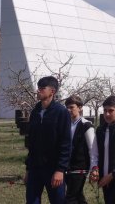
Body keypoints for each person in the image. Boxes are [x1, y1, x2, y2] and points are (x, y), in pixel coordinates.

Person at [26, 76, 71, 204]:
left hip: (53, 168)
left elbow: (66, 143)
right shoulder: (35, 111)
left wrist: (60, 170)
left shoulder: (61, 112)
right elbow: (32, 142)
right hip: (35, 167)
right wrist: (28, 168)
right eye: (38, 88)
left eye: (42, 88)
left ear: (52, 91)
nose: (38, 91)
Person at [65, 95, 95, 204]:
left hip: (80, 167)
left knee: (70, 198)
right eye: (67, 107)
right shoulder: (67, 124)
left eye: (71, 107)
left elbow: (92, 149)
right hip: (68, 166)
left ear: (80, 108)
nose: (69, 110)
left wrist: (93, 169)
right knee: (78, 196)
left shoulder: (86, 125)